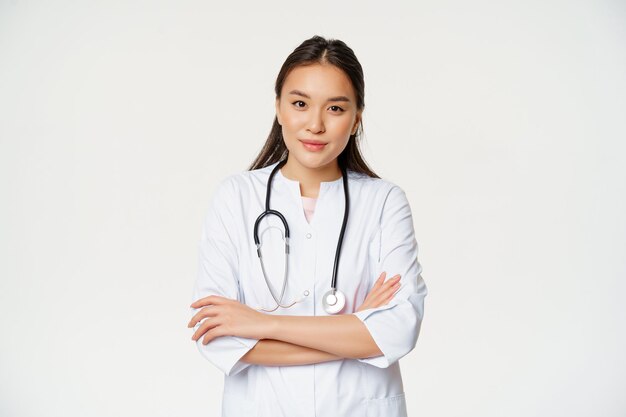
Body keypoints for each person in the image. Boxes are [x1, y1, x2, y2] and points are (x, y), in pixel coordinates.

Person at [187, 35, 428, 417]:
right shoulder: (235, 197)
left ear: (356, 119)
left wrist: (261, 324)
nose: (315, 124)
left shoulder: (384, 202)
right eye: (300, 104)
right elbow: (216, 338)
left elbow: (398, 332)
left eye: (335, 108)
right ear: (279, 108)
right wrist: (355, 331)